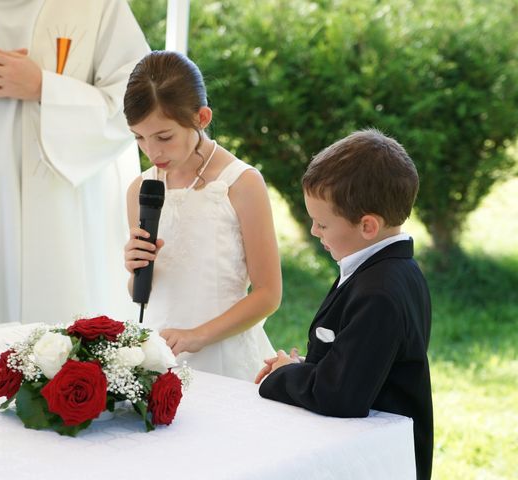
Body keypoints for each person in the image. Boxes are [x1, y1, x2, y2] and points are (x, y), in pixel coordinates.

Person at [0, 0, 150, 324]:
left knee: (54, 339)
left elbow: (135, 100)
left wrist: (44, 87)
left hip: (58, 200)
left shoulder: (99, 6)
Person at [255, 129, 433, 480]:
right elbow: (364, 359)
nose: (313, 231)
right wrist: (309, 365)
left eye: (322, 223)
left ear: (368, 225)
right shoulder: (383, 267)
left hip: (375, 460)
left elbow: (341, 396)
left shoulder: (380, 291)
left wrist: (283, 375)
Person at [122, 50, 282, 381]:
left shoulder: (241, 184)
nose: (152, 152)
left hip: (223, 357)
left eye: (164, 137)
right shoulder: (141, 189)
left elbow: (269, 294)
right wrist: (135, 268)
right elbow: (148, 292)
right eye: (139, 137)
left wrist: (198, 335)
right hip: (161, 353)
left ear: (201, 118)